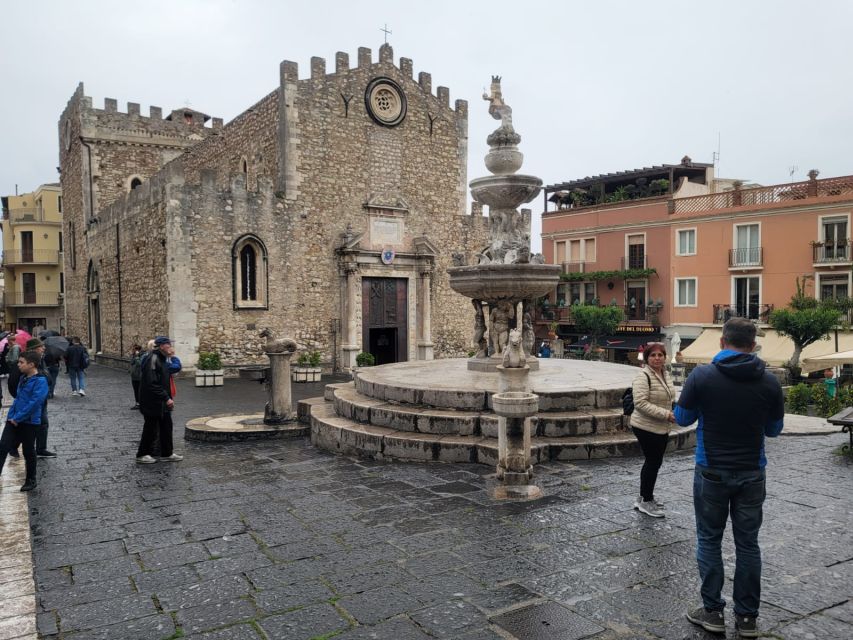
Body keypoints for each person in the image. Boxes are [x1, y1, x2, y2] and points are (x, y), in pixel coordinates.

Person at [675, 317, 784, 638]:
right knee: (748, 543)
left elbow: (682, 418)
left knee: (709, 539)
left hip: (711, 472)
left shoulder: (702, 376)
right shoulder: (770, 382)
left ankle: (712, 612)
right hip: (752, 472)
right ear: (753, 346)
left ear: (722, 342)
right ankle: (747, 618)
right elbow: (774, 430)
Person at [629, 341, 675, 518]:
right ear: (647, 358)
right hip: (645, 426)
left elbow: (670, 396)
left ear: (664, 357)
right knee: (652, 462)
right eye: (653, 355)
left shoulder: (665, 373)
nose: (657, 358)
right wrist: (666, 414)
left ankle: (644, 497)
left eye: (660, 355)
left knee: (654, 462)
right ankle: (646, 501)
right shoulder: (643, 376)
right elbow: (640, 404)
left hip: (661, 426)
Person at [0, 351, 49, 491]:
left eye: (21, 362)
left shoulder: (41, 381)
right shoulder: (23, 378)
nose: (18, 365)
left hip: (29, 422)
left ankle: (31, 480)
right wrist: (12, 416)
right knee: (3, 447)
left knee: (28, 451)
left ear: (31, 364)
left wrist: (18, 418)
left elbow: (34, 403)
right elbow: (19, 398)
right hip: (13, 419)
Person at [136, 336, 182, 464]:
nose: (171, 347)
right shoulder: (153, 359)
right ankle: (142, 454)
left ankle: (167, 453)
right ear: (162, 346)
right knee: (150, 428)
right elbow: (151, 383)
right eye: (169, 345)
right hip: (152, 401)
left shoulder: (161, 359)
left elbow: (172, 370)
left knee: (167, 426)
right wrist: (166, 398)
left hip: (161, 401)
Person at [25, 338, 56, 458]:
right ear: (33, 349)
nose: (43, 348)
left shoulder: (40, 360)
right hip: (35, 399)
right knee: (39, 424)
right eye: (40, 347)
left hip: (41, 398)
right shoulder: (30, 363)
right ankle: (35, 449)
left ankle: (40, 448)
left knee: (42, 424)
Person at [129, 345, 144, 410]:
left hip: (140, 377)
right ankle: (137, 403)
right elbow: (132, 363)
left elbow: (140, 364)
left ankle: (142, 404)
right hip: (134, 376)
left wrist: (137, 356)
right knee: (136, 391)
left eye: (133, 350)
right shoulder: (134, 355)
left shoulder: (143, 356)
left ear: (137, 350)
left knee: (140, 391)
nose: (132, 351)